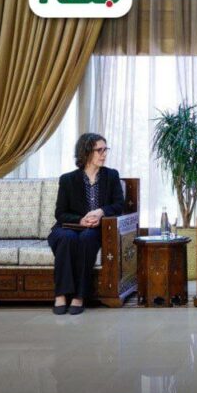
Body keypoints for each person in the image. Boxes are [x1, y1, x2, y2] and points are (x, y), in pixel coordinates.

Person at [47, 133, 125, 315]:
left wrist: (101, 212)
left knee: (87, 238)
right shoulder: (67, 180)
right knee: (66, 239)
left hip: (95, 229)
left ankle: (79, 296)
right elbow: (60, 213)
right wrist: (80, 220)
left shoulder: (111, 176)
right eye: (100, 150)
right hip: (69, 226)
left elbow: (119, 205)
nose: (104, 154)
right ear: (86, 152)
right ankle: (60, 294)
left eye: (105, 149)